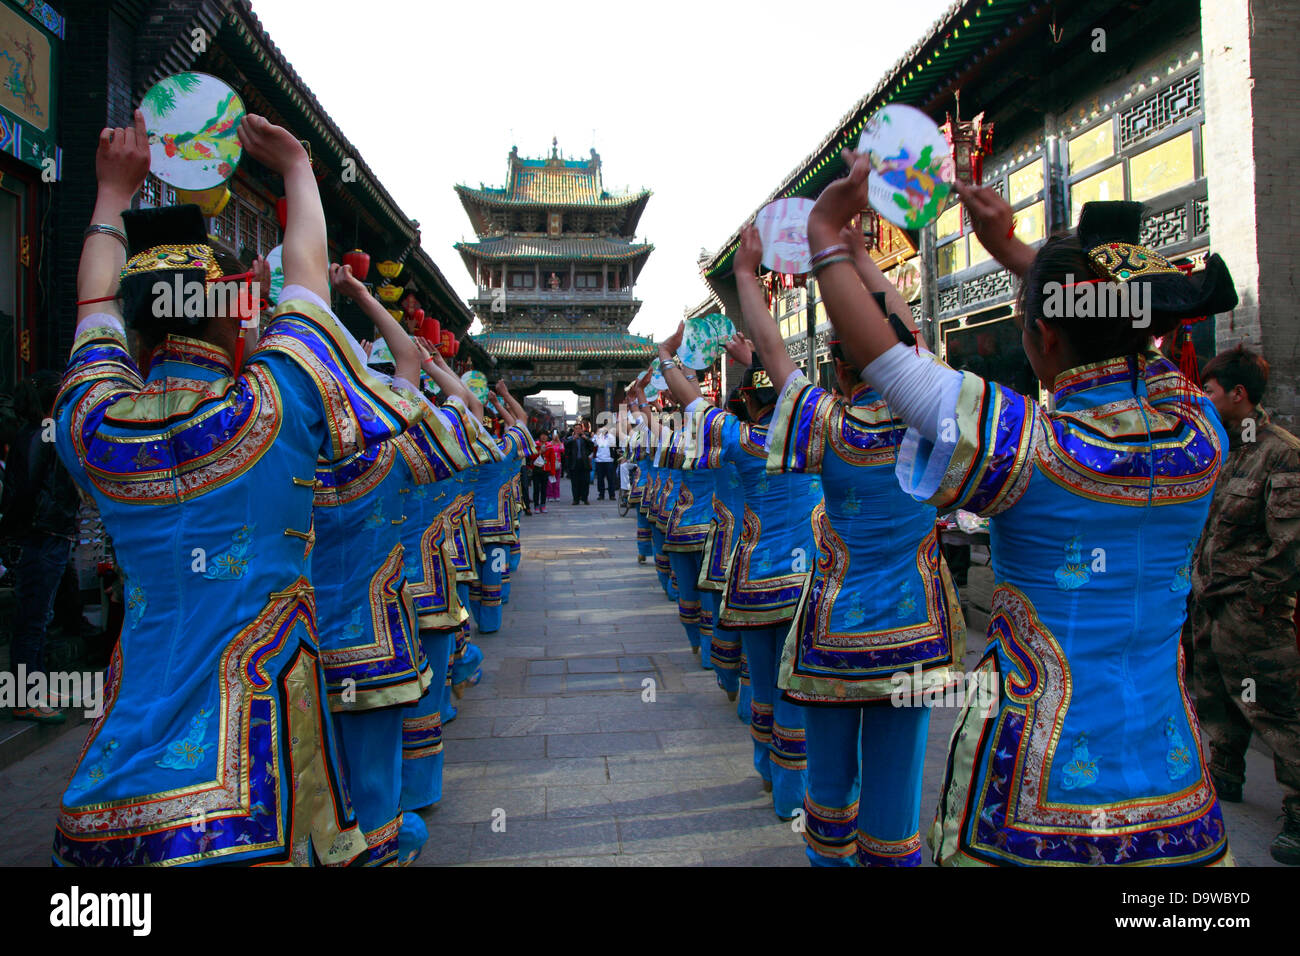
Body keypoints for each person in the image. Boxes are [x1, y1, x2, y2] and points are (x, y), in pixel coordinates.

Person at [808, 147, 1239, 865]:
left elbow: (891, 363)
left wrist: (826, 234)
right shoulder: (1200, 433)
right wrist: (1023, 258)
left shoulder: (1034, 450)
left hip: (1036, 797)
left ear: (1041, 338)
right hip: (1177, 796)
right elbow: (1132, 334)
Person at [51, 111, 423, 866]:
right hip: (252, 789)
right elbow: (311, 286)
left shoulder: (96, 424)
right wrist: (297, 168)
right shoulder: (274, 407)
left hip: (111, 796)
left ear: (141, 334)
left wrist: (111, 193)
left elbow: (93, 309)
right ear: (237, 323)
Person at [737, 222, 966, 867]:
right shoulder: (937, 421)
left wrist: (749, 277)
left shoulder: (828, 426)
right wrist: (861, 259)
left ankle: (828, 855)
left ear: (838, 366)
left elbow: (772, 352)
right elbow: (904, 331)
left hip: (833, 630)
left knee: (829, 784)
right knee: (897, 791)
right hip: (915, 628)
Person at [660, 336, 823, 821]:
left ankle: (768, 769)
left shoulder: (742, 442)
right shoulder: (815, 437)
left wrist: (667, 359)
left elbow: (692, 404)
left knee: (765, 684)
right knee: (798, 687)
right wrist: (757, 357)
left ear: (748, 403)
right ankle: (794, 792)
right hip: (807, 584)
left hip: (753, 582)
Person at [309, 273, 439, 868]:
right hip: (376, 642)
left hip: (302, 652)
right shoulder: (389, 455)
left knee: (321, 781)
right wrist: (362, 295)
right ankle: (383, 852)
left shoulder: (278, 462)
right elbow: (411, 359)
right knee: (375, 778)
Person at [1190, 345, 1300, 865]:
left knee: (1277, 710)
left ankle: (1298, 815)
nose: (1202, 397)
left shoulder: (1281, 453)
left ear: (1238, 395)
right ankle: (1224, 773)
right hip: (1209, 603)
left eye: (1209, 390)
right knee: (1214, 694)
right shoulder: (1221, 449)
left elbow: (1292, 544)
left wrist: (1258, 599)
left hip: (1251, 611)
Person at [1, 371, 79, 723]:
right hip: (41, 536)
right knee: (33, 620)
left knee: (40, 617)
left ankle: (33, 687)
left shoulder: (40, 434)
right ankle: (24, 696)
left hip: (47, 534)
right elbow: (27, 490)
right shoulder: (40, 435)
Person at [565, 421, 595, 505]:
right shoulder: (570, 438)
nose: (578, 430)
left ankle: (585, 498)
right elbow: (565, 446)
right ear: (574, 430)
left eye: (579, 428)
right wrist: (572, 439)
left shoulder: (585, 438)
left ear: (582, 429)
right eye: (576, 429)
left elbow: (592, 446)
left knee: (585, 482)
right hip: (574, 463)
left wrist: (586, 439)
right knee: (575, 482)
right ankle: (576, 499)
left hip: (584, 462)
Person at [594, 425, 617, 500]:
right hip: (599, 460)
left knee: (610, 478)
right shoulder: (597, 436)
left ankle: (612, 494)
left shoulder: (611, 437)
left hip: (609, 460)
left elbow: (613, 445)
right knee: (600, 478)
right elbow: (593, 443)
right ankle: (601, 494)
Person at [529, 431, 549, 513]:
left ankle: (543, 505)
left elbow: (551, 459)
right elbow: (531, 456)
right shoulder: (535, 445)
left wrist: (552, 471)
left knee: (544, 488)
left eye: (545, 435)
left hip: (545, 469)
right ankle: (536, 505)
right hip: (536, 469)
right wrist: (540, 452)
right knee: (536, 488)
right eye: (542, 435)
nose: (544, 437)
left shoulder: (549, 446)